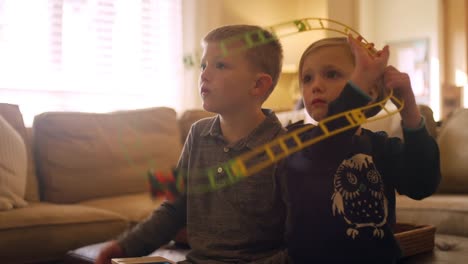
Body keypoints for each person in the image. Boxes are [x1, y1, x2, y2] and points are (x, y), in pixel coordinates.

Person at [96, 24, 289, 264]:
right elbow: (173, 209)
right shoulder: (198, 134)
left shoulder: (285, 149)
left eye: (220, 65)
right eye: (204, 65)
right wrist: (123, 247)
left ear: (258, 85)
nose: (204, 74)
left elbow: (298, 245)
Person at [284, 37, 441, 263]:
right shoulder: (297, 140)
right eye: (307, 79)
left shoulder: (382, 147)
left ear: (370, 91)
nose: (315, 85)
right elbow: (328, 145)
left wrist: (409, 110)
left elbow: (422, 184)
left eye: (331, 74)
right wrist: (358, 87)